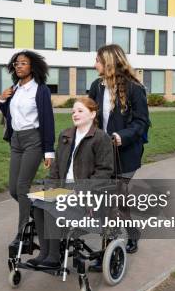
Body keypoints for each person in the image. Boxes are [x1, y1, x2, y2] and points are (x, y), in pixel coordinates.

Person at [27, 98, 113, 269]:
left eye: (80, 111)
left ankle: (54, 256)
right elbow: (56, 168)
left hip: (86, 195)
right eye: (73, 111)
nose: (75, 114)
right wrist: (51, 187)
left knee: (52, 206)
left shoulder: (100, 138)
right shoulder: (66, 135)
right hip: (63, 190)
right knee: (38, 204)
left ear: (93, 114)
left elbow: (104, 172)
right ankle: (44, 253)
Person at [88, 44, 150, 254]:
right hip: (103, 154)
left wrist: (120, 136)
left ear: (109, 63)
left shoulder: (134, 88)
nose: (94, 64)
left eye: (97, 60)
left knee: (115, 201)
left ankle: (111, 250)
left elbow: (142, 122)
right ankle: (119, 240)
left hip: (126, 153)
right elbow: (92, 116)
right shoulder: (97, 86)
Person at [0, 50, 55, 251]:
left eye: (23, 63)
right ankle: (39, 214)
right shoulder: (14, 89)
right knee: (13, 189)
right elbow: (10, 116)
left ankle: (23, 234)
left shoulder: (40, 90)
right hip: (16, 141)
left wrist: (49, 151)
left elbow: (48, 120)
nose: (19, 66)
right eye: (16, 63)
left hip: (34, 140)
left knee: (22, 187)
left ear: (32, 67)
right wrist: (3, 101)